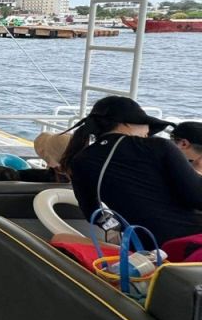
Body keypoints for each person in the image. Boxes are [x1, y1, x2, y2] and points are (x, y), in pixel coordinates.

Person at [63, 96, 202, 245]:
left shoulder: (81, 160)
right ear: (127, 123)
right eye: (146, 124)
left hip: (144, 247)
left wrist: (114, 229)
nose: (148, 131)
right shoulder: (159, 146)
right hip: (190, 243)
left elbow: (92, 213)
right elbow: (197, 198)